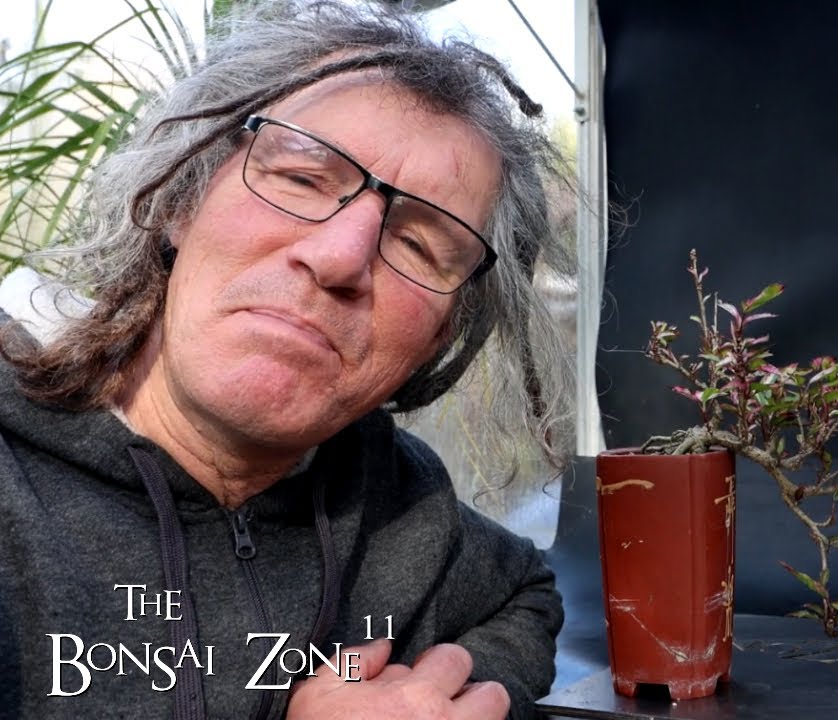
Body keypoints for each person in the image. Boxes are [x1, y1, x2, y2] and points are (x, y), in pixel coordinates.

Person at [0, 1, 575, 718]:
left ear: (439, 337)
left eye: (420, 245)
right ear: (182, 198)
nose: (340, 257)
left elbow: (526, 598)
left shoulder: (400, 505)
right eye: (301, 178)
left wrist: (432, 696)